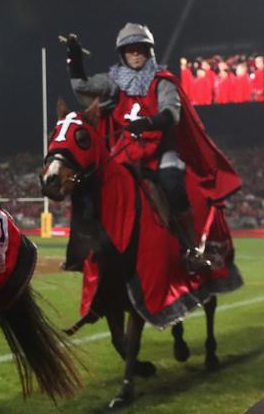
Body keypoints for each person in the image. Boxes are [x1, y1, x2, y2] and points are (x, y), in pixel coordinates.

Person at [66, 24, 239, 273]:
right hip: (127, 150)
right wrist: (74, 58)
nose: (135, 55)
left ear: (149, 52)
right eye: (130, 51)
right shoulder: (114, 81)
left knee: (172, 184)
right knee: (92, 184)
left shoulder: (162, 81)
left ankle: (192, 248)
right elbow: (81, 87)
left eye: (140, 50)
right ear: (122, 54)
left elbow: (172, 113)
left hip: (161, 151)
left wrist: (148, 122)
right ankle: (83, 249)